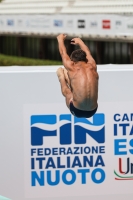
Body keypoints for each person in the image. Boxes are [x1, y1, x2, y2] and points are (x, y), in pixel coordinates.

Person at [56, 34, 99, 118]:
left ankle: (61, 77)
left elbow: (63, 53)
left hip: (76, 110)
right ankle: (64, 76)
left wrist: (60, 39)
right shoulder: (93, 65)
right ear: (86, 59)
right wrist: (80, 42)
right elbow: (88, 52)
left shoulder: (72, 67)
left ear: (73, 61)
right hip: (93, 110)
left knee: (68, 92)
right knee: (73, 79)